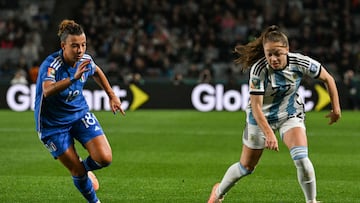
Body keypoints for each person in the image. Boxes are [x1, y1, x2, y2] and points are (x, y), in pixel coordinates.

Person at [208, 25, 341, 203]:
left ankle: (311, 201)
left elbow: (328, 78)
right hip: (260, 118)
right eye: (269, 54)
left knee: (301, 158)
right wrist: (269, 133)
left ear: (287, 49)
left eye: (277, 53)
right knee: (246, 167)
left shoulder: (300, 62)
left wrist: (336, 109)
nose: (273, 58)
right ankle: (218, 193)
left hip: (290, 114)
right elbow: (256, 107)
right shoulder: (259, 70)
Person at [34, 19, 125, 203]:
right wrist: (74, 78)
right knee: (77, 172)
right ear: (63, 45)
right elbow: (47, 90)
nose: (80, 50)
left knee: (105, 158)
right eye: (75, 46)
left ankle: (84, 169)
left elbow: (96, 70)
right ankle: (94, 201)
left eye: (83, 45)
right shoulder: (52, 65)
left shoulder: (84, 60)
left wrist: (111, 94)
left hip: (79, 114)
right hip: (52, 126)